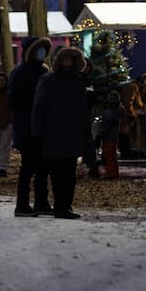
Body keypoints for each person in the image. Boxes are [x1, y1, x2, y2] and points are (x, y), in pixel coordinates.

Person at [32, 46, 88, 219]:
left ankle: (65, 206)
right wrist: (38, 131)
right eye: (65, 59)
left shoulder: (77, 80)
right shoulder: (49, 79)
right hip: (54, 133)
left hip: (69, 132)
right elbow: (39, 107)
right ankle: (61, 207)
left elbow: (81, 108)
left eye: (70, 59)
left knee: (69, 174)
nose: (68, 62)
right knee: (58, 173)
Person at [9, 36, 52, 217]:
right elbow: (15, 101)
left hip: (37, 127)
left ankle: (40, 203)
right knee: (28, 167)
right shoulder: (22, 73)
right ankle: (23, 205)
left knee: (42, 167)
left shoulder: (41, 71)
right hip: (27, 128)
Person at [118, 79, 146, 155]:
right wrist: (131, 114)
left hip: (127, 114)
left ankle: (126, 151)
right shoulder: (133, 87)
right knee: (124, 133)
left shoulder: (133, 87)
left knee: (125, 133)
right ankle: (125, 152)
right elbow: (128, 101)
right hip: (127, 115)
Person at [100, 90, 121, 179]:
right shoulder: (118, 111)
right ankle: (114, 172)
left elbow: (105, 125)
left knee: (108, 155)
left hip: (108, 137)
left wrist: (101, 132)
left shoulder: (108, 112)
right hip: (115, 137)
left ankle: (110, 173)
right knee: (113, 156)